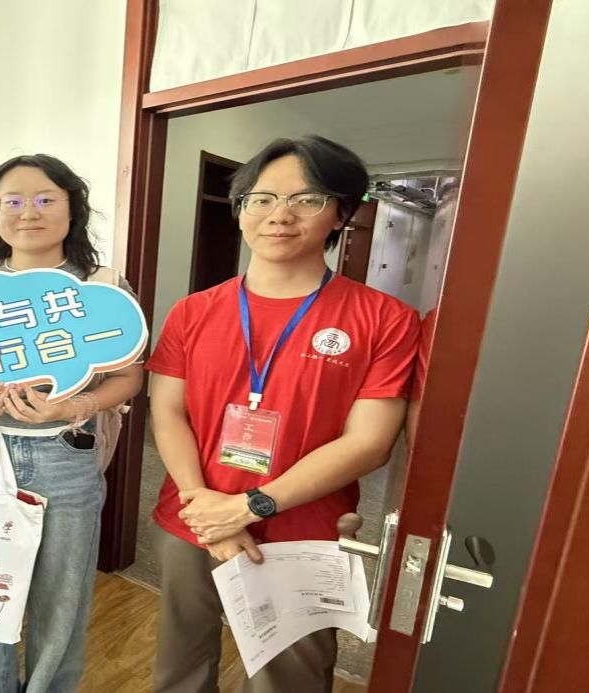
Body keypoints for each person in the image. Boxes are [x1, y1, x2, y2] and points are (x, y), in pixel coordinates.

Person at [146, 136, 420, 692]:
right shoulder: (192, 311)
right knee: (180, 669)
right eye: (261, 198)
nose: (279, 215)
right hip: (192, 519)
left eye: (306, 199)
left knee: (288, 679)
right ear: (240, 209)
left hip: (304, 532)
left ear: (341, 212)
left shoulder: (384, 318)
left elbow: (369, 443)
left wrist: (249, 506)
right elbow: (168, 411)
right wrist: (204, 507)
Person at [0, 154, 144, 693]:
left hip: (65, 452)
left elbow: (130, 377)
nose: (27, 212)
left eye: (45, 199)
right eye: (12, 200)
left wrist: (73, 407)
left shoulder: (103, 286)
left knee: (62, 596)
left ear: (72, 209)